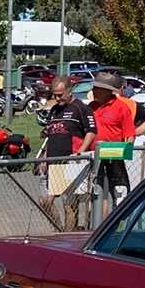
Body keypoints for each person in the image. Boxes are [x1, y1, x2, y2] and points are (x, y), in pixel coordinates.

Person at [41, 79, 97, 228]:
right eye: (55, 95)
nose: (57, 98)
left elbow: (91, 132)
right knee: (45, 201)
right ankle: (59, 230)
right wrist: (44, 158)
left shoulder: (81, 108)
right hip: (54, 163)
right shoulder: (54, 110)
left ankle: (68, 234)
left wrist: (80, 152)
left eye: (60, 95)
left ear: (69, 91)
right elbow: (51, 135)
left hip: (71, 163)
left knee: (69, 206)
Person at [87, 72, 135, 215]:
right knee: (95, 190)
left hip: (114, 155)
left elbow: (129, 134)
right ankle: (97, 224)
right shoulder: (91, 107)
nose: (94, 91)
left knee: (120, 190)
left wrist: (126, 150)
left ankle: (120, 219)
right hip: (93, 156)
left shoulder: (121, 107)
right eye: (94, 88)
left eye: (98, 88)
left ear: (108, 91)